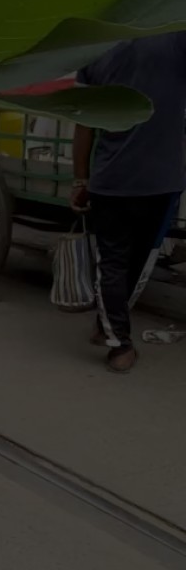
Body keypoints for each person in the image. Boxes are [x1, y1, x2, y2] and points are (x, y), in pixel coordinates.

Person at [71, 33, 186, 374]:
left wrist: (80, 178)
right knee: (134, 259)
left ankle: (113, 334)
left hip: (114, 180)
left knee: (115, 262)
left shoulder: (93, 48)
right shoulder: (176, 41)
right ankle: (116, 339)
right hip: (162, 181)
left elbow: (84, 124)